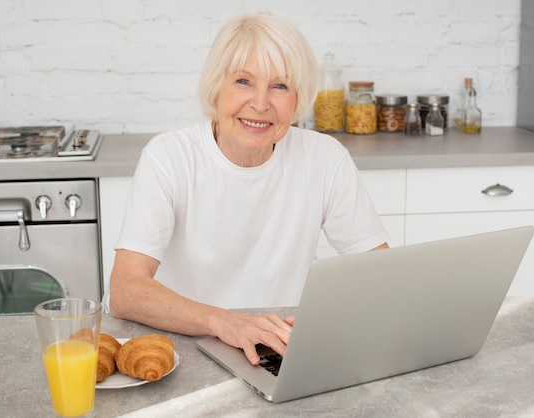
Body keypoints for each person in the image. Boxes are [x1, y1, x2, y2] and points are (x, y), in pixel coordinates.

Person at [108, 12, 389, 366]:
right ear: (215, 89)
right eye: (243, 81)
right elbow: (124, 290)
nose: (260, 103)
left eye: (280, 86)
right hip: (182, 351)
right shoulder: (169, 157)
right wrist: (224, 322)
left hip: (280, 352)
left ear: (298, 99)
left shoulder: (325, 158)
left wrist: (328, 319)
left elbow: (381, 274)